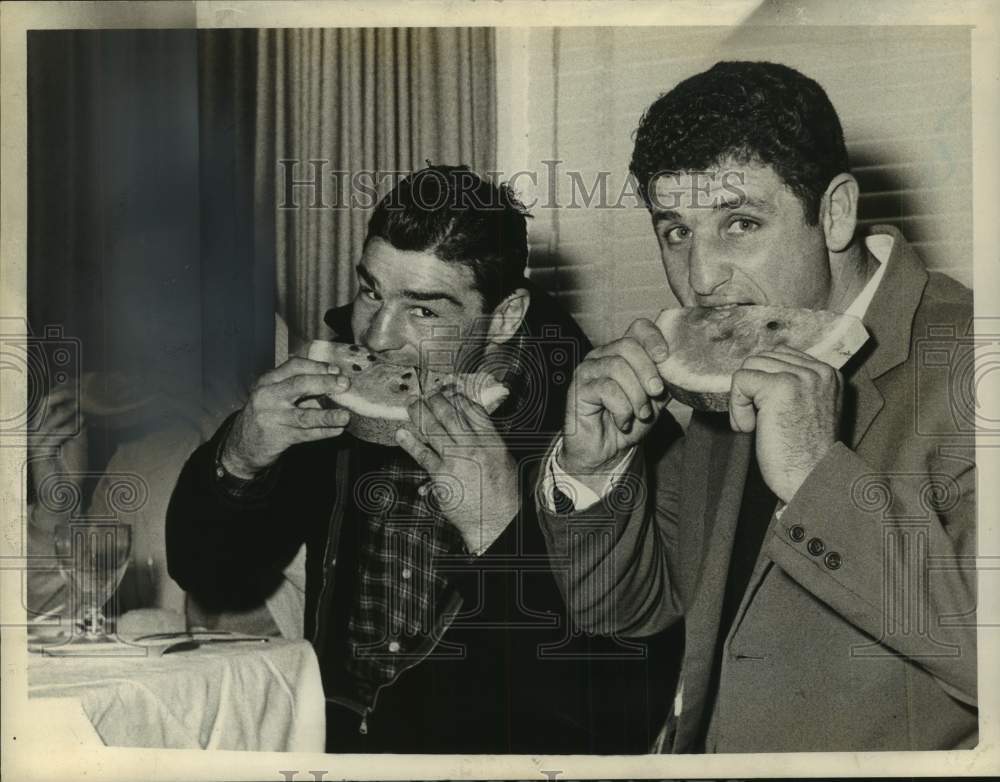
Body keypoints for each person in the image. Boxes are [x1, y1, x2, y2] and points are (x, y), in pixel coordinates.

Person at [537, 61, 977, 753]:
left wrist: (816, 478)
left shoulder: (972, 367)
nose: (702, 278)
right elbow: (628, 608)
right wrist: (596, 470)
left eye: (739, 222)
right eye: (676, 231)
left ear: (834, 212)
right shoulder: (733, 365)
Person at [167, 165, 673, 754]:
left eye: (424, 310)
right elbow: (208, 575)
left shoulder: (606, 436)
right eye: (371, 291)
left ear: (505, 316)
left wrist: (501, 531)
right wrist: (241, 455)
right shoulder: (335, 399)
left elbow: (614, 715)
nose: (379, 338)